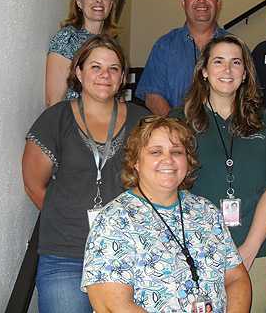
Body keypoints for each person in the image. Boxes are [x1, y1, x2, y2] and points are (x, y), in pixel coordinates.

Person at [22, 35, 148, 312]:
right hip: (66, 255)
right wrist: (65, 218)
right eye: (95, 67)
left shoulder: (143, 120)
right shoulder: (55, 118)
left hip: (128, 254)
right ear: (78, 72)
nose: (105, 75)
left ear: (123, 77)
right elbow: (33, 183)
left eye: (114, 68)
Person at [81, 116, 251, 312]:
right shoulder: (114, 220)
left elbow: (237, 278)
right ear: (135, 161)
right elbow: (112, 305)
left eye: (176, 152)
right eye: (155, 152)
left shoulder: (207, 211)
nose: (168, 160)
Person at [175, 35, 266, 312]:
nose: (227, 70)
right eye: (218, 62)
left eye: (236, 62)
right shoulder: (180, 120)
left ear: (245, 72)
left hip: (257, 251)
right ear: (203, 70)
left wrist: (249, 248)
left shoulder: (265, 122)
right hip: (196, 252)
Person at [135, 0, 228, 115]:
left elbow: (248, 94)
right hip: (176, 134)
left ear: (218, 2)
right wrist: (178, 128)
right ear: (183, 2)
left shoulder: (235, 47)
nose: (202, 0)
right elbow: (152, 95)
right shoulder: (164, 46)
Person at [45, 0, 117, 107]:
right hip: (72, 123)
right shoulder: (67, 38)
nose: (99, 0)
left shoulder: (112, 43)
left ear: (111, 4)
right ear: (79, 2)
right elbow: (53, 100)